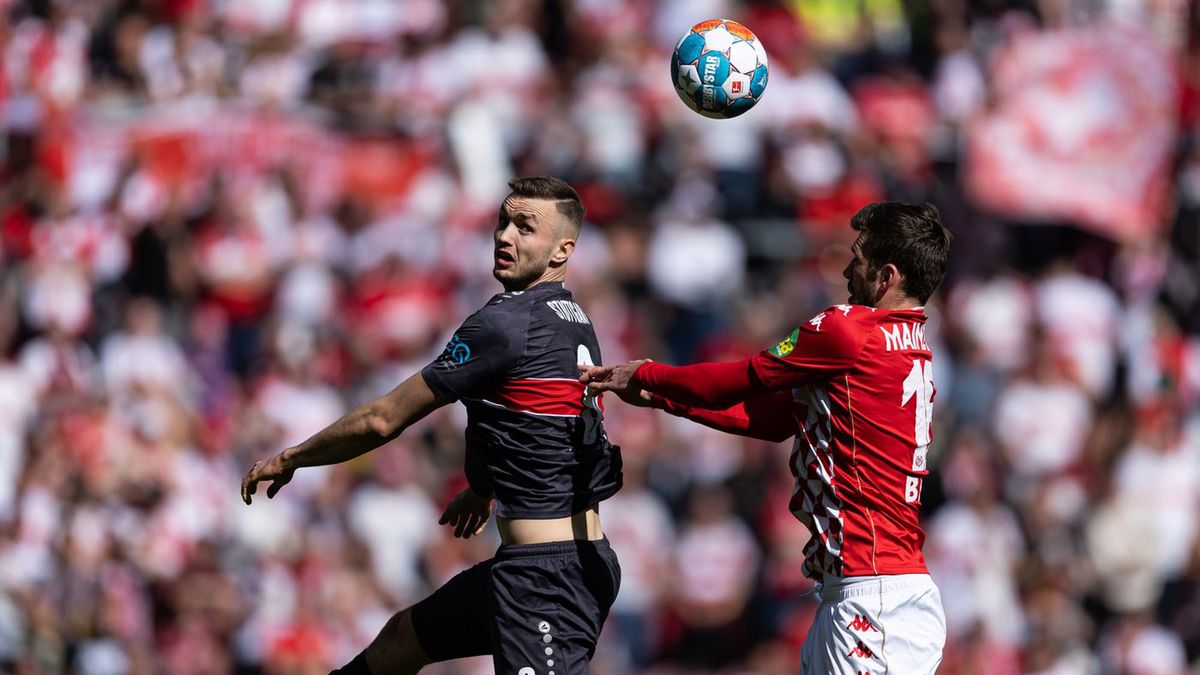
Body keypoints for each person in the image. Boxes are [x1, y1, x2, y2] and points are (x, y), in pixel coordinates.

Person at [242, 176, 623, 675]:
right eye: (503, 221)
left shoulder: (504, 324)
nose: (505, 236)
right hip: (559, 561)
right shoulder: (572, 318)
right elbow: (523, 420)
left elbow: (382, 421)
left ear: (561, 251)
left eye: (525, 228)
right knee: (403, 640)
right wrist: (482, 489)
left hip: (546, 579)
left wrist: (292, 457)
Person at [581, 202, 951, 674]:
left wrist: (649, 373)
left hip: (872, 594)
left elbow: (741, 378)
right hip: (870, 590)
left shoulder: (848, 331)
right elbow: (775, 421)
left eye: (856, 258)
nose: (844, 270)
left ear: (886, 276)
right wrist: (659, 398)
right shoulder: (912, 345)